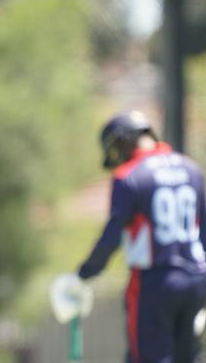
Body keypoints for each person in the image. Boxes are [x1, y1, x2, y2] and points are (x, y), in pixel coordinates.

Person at [75, 111, 206, 363]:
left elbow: (113, 234)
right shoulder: (191, 168)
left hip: (155, 282)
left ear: (123, 140)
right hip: (197, 279)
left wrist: (85, 272)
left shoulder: (129, 176)